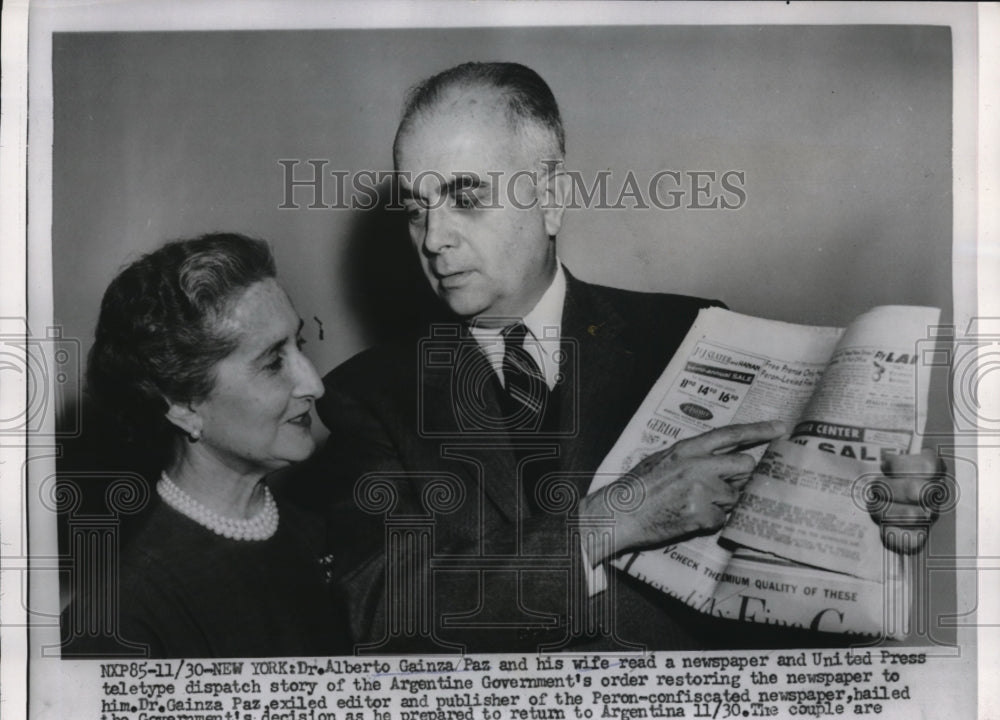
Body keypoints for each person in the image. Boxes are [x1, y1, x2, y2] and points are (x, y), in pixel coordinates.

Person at [307, 62, 942, 653]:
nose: (435, 238)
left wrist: (880, 521)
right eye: (417, 209)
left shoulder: (693, 332)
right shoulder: (367, 395)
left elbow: (775, 576)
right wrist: (604, 524)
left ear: (551, 198)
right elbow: (374, 606)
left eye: (466, 198)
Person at [61, 233, 348, 659]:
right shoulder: (123, 610)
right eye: (273, 362)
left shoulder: (328, 534)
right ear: (182, 406)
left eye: (299, 345)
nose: (314, 384)